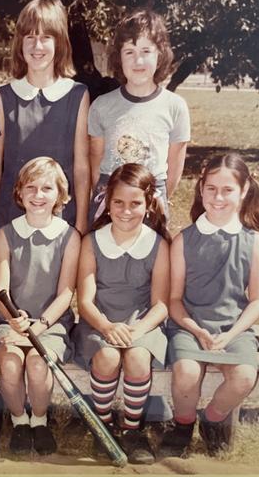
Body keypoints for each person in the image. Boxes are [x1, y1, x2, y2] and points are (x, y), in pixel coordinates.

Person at [163, 153, 259, 457]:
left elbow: (257, 299)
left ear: (244, 190)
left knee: (244, 376)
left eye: (227, 190)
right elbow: (174, 300)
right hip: (189, 325)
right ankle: (182, 424)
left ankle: (212, 420)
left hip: (233, 329)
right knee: (186, 373)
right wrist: (195, 328)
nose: (218, 197)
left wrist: (232, 334)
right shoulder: (184, 240)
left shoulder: (255, 241)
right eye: (211, 188)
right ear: (200, 188)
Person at [73, 163, 170, 464]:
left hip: (142, 323)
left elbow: (161, 305)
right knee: (108, 356)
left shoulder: (158, 244)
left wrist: (137, 331)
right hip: (99, 322)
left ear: (149, 203)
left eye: (135, 203)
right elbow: (85, 301)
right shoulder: (92, 242)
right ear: (107, 200)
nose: (126, 211)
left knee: (138, 357)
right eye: (118, 202)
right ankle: (103, 425)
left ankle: (132, 429)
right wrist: (105, 327)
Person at [0, 157, 80, 455]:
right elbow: (0, 290)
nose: (38, 195)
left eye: (46, 188)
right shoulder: (5, 234)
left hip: (51, 322)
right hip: (11, 320)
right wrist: (16, 321)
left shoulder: (69, 236)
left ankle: (40, 422)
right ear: (19, 192)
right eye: (30, 187)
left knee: (38, 363)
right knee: (10, 362)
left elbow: (66, 293)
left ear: (60, 194)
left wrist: (39, 326)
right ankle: (19, 422)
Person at [0, 0, 90, 233]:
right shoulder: (4, 98)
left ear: (60, 43)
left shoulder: (77, 95)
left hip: (62, 218)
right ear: (20, 44)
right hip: (11, 216)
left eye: (46, 37)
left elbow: (82, 168)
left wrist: (82, 221)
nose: (37, 46)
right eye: (29, 37)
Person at [87, 9, 190, 222]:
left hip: (152, 199)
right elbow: (95, 160)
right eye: (129, 52)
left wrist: (153, 198)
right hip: (109, 200)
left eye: (146, 51)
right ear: (119, 58)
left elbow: (174, 168)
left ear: (160, 55)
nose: (138, 60)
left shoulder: (175, 106)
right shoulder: (101, 106)